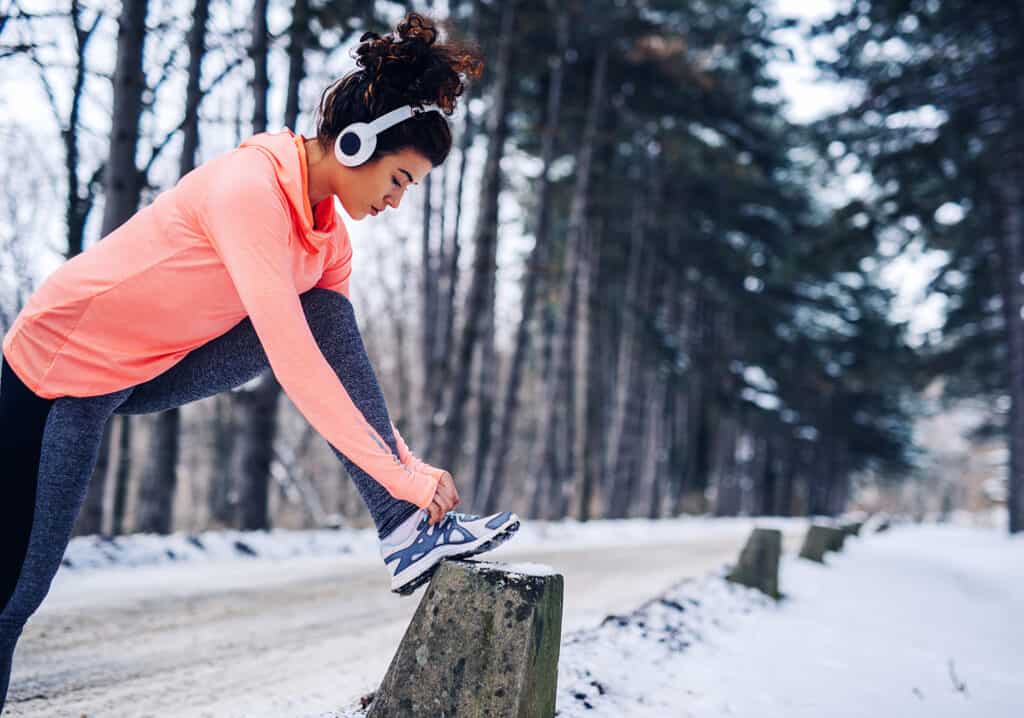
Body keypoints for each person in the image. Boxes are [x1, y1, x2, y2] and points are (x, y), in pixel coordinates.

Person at [0, 11, 520, 710]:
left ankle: (400, 526)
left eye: (410, 188)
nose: (397, 200)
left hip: (141, 369)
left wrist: (407, 474)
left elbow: (339, 363)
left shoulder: (326, 240)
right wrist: (402, 469)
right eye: (399, 178)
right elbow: (295, 363)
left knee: (329, 313)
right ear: (357, 142)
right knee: (15, 593)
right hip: (56, 371)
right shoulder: (250, 190)